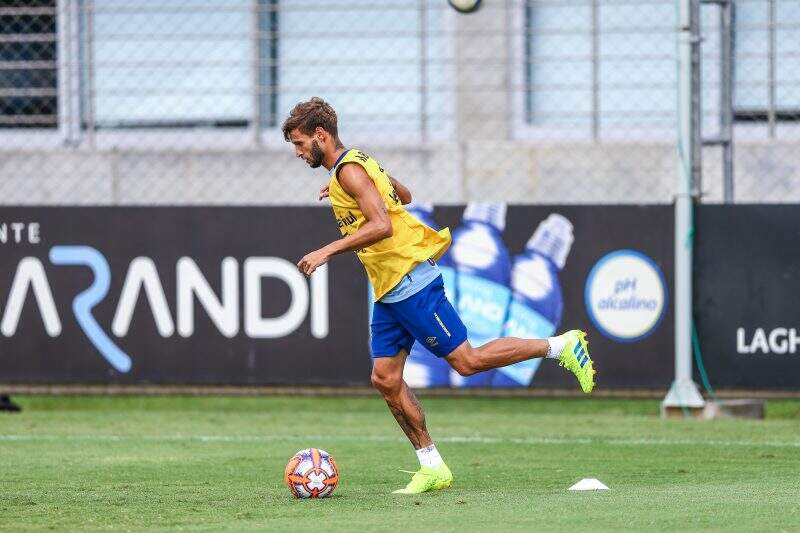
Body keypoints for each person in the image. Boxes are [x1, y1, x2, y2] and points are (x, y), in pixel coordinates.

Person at [283, 97, 595, 495]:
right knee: (385, 377)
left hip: (411, 281)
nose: (297, 152)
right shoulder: (357, 165)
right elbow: (405, 195)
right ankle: (432, 466)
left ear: (320, 135)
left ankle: (559, 346)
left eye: (299, 143)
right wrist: (357, 185)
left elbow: (382, 225)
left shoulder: (351, 171)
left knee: (467, 361)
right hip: (388, 290)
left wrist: (326, 250)